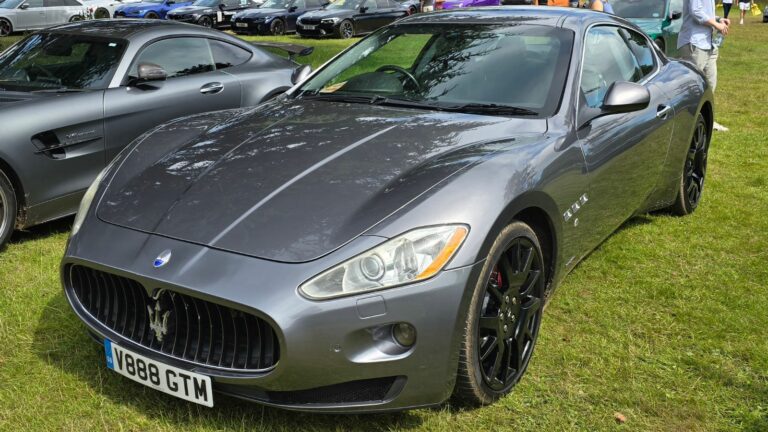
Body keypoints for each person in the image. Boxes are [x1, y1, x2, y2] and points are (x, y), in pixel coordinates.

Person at [678, 0, 730, 131]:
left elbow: (706, 12)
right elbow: (696, 12)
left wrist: (718, 19)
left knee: (710, 84)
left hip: (708, 43)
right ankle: (687, 123)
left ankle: (708, 119)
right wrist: (716, 25)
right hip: (694, 43)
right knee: (693, 87)